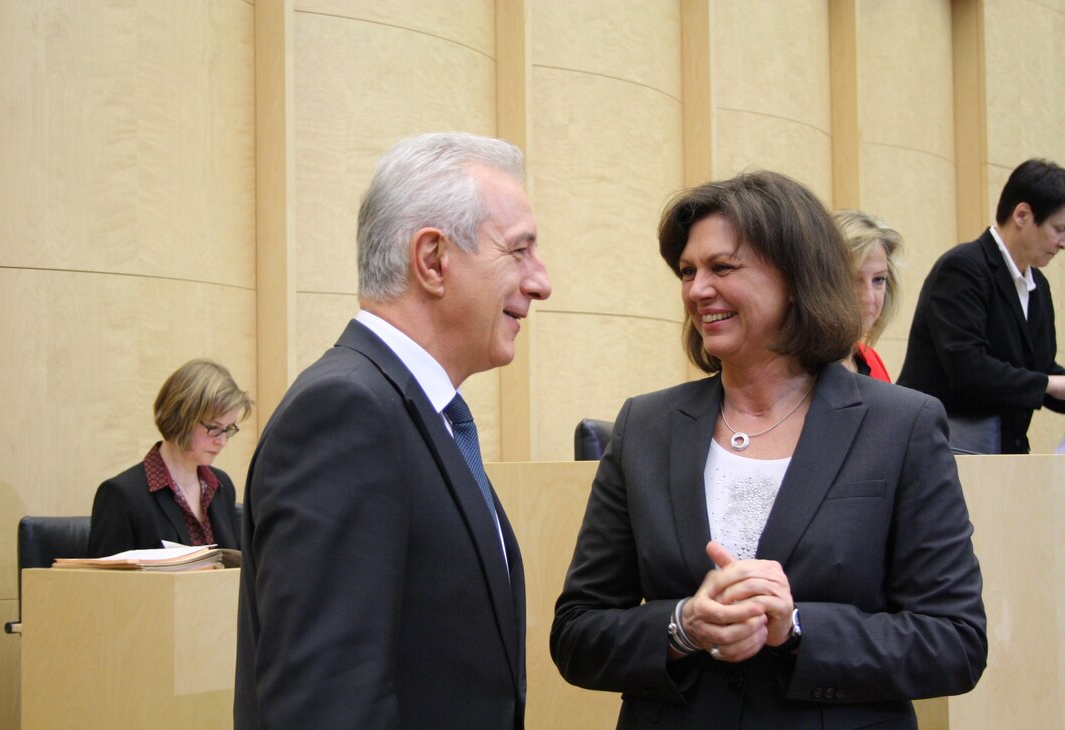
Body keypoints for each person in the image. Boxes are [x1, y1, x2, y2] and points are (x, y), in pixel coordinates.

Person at [550, 171, 986, 729]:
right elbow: (577, 633)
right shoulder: (646, 426)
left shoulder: (901, 426)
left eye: (722, 267)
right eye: (688, 271)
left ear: (798, 278)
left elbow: (955, 643)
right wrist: (683, 626)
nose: (696, 289)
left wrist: (796, 627)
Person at [235, 132, 551, 728]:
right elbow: (325, 705)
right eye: (519, 251)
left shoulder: (414, 413)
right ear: (433, 260)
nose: (541, 281)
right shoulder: (343, 415)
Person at [898, 158, 1065, 454]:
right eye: (1058, 229)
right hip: (947, 447)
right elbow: (967, 367)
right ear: (1023, 215)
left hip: (1004, 446)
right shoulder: (963, 268)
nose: (1063, 243)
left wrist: (1052, 382)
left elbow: (1038, 367)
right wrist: (1047, 384)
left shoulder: (1038, 285)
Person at [88, 358, 252, 557]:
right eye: (214, 428)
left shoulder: (221, 486)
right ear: (181, 417)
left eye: (228, 429)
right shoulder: (122, 495)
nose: (222, 441)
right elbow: (104, 585)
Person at [833, 209, 904, 381]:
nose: (868, 298)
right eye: (852, 279)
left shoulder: (872, 360)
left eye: (879, 280)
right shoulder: (798, 373)